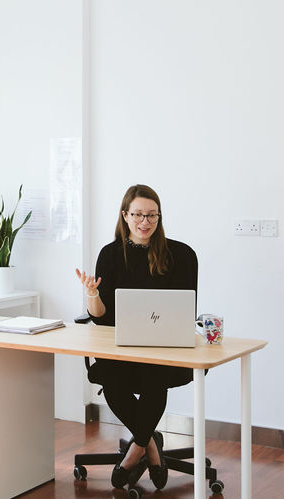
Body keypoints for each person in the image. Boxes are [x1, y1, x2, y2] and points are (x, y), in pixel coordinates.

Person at [75, 184, 197, 490]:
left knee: (155, 378)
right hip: (119, 346)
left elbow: (183, 309)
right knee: (112, 382)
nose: (146, 222)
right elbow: (99, 314)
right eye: (139, 214)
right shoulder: (111, 254)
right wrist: (92, 294)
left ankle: (134, 454)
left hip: (163, 347)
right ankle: (149, 445)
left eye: (152, 215)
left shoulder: (179, 254)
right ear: (125, 215)